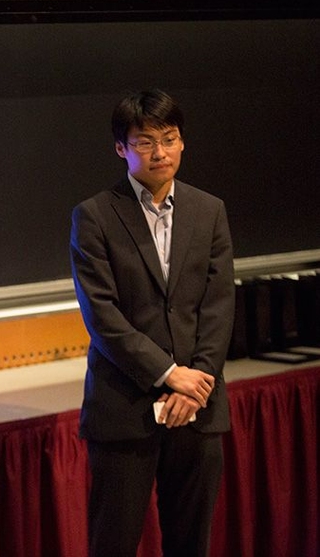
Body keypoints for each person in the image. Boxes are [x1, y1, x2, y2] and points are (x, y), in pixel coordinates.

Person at [70, 89, 235, 557]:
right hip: (125, 408)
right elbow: (103, 317)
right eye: (144, 141)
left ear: (182, 142)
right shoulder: (95, 216)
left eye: (169, 138)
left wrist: (194, 382)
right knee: (114, 544)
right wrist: (168, 374)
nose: (159, 152)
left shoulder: (209, 211)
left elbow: (219, 306)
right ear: (120, 148)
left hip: (197, 407)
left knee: (191, 543)